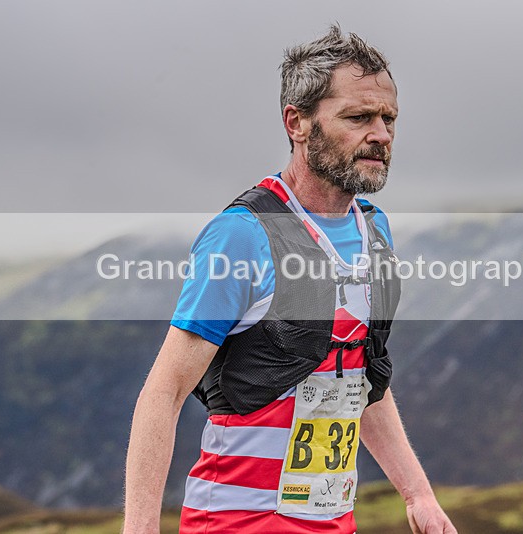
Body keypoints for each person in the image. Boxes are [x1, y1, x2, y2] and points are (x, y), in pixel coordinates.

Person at [123, 25, 457, 534]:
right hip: (234, 523)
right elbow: (164, 393)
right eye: (358, 118)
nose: (382, 135)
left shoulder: (375, 232)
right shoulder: (242, 235)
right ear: (297, 123)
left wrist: (418, 495)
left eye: (388, 118)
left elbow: (357, 379)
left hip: (334, 522)